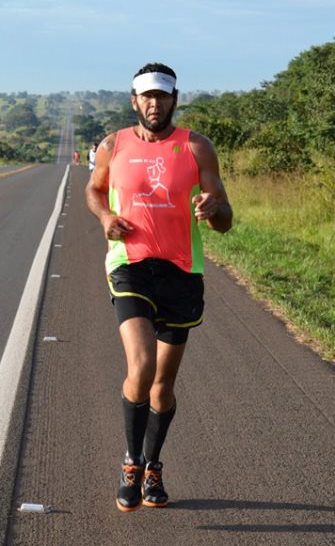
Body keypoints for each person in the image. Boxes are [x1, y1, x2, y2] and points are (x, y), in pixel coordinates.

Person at [85, 62, 232, 512]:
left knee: (163, 387)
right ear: (134, 100)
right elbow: (94, 190)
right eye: (146, 96)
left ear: (174, 99)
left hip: (182, 272)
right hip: (130, 265)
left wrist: (215, 208)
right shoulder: (114, 144)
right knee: (142, 364)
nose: (154, 103)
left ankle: (153, 465)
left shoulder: (197, 147)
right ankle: (131, 461)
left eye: (162, 96)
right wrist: (106, 217)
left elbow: (225, 219)